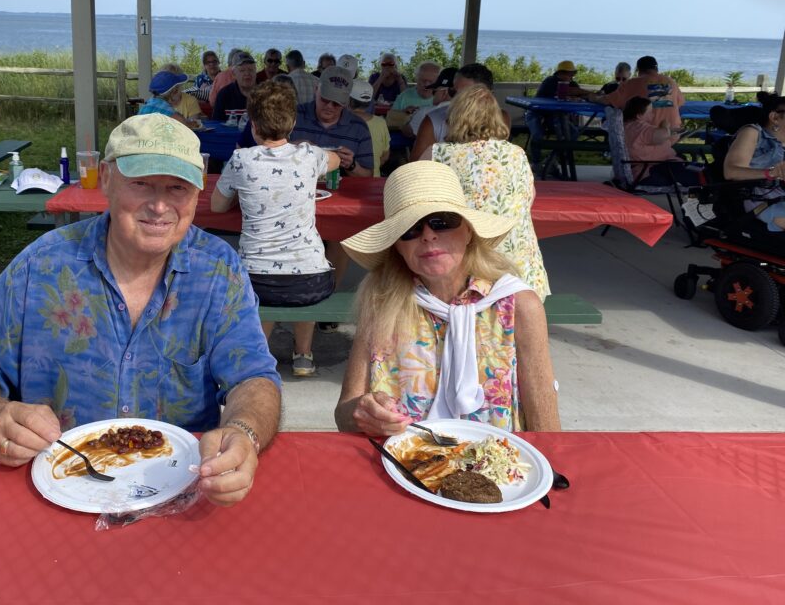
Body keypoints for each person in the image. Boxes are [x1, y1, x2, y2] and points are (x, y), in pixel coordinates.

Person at [0, 114, 282, 506]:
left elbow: (254, 378)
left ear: (198, 190)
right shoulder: (44, 265)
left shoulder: (219, 269)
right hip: (54, 488)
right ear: (106, 178)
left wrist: (244, 431)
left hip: (179, 494)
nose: (159, 205)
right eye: (141, 184)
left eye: (177, 187)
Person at [334, 161, 560, 434]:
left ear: (468, 231)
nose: (428, 235)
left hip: (498, 467)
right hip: (401, 465)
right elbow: (344, 413)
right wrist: (363, 411)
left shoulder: (518, 305)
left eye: (442, 221)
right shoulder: (381, 304)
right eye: (410, 229)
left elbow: (546, 429)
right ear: (397, 246)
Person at [211, 81, 340, 377]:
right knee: (309, 261)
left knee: (263, 279)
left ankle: (262, 353)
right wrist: (325, 156)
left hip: (256, 282)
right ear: (293, 123)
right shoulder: (309, 155)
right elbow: (333, 160)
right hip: (311, 283)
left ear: (253, 124)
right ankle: (303, 355)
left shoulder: (241, 160)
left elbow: (217, 206)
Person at [421, 84, 550, 298]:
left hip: (466, 277)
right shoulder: (517, 154)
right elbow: (529, 198)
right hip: (522, 277)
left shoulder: (438, 154)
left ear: (455, 116)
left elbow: (418, 204)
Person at [723, 92, 785, 232]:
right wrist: (771, 172)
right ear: (774, 117)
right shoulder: (753, 132)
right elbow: (731, 171)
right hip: (761, 200)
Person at [412, 63, 495, 161]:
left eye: (465, 96)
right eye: (453, 92)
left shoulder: (500, 120)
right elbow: (417, 166)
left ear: (487, 97)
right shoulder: (432, 120)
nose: (455, 100)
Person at [622, 96, 701, 186]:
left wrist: (667, 131)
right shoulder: (639, 128)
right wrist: (664, 125)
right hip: (649, 170)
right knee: (695, 173)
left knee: (689, 166)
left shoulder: (628, 126)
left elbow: (652, 136)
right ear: (639, 115)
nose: (653, 115)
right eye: (650, 112)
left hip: (643, 168)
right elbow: (662, 135)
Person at [598, 55, 685, 130]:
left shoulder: (632, 83)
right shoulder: (670, 81)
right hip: (672, 132)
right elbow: (680, 102)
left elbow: (608, 100)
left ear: (638, 70)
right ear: (656, 68)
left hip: (646, 134)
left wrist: (589, 96)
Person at [525, 60, 583, 168]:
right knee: (537, 134)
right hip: (537, 113)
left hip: (556, 117)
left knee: (574, 132)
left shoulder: (573, 85)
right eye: (568, 73)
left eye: (572, 74)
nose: (571, 76)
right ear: (560, 73)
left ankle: (552, 159)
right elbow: (546, 100)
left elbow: (580, 94)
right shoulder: (550, 82)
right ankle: (536, 163)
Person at [347, 80, 390, 177]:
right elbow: (385, 156)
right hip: (374, 180)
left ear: (348, 100)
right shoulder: (381, 122)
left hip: (347, 181)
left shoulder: (342, 122)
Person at [386, 61, 441, 136]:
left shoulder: (442, 98)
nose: (426, 85)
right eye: (423, 80)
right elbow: (389, 122)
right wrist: (403, 114)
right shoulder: (404, 96)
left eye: (431, 82)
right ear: (416, 79)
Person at [407, 66, 458, 142]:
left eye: (434, 91)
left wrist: (408, 119)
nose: (432, 95)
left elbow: (408, 132)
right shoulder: (472, 114)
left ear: (445, 92)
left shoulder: (426, 112)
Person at [213, 53, 257, 122]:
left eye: (251, 70)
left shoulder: (265, 94)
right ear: (234, 74)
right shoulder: (224, 94)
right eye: (242, 70)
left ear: (255, 72)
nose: (247, 73)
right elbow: (216, 124)